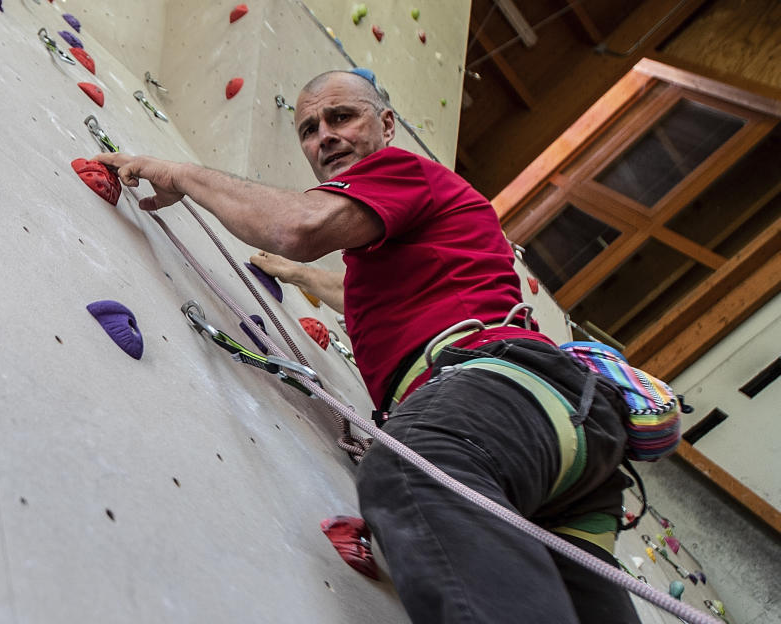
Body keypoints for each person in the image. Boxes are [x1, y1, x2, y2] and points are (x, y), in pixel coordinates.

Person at [94, 70, 638, 624]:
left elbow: (298, 228)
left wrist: (179, 173)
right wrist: (299, 277)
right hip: (558, 440)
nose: (323, 136)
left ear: (385, 125)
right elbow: (368, 297)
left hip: (496, 397)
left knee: (411, 469)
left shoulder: (399, 171)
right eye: (309, 129)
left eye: (341, 117)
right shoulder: (409, 242)